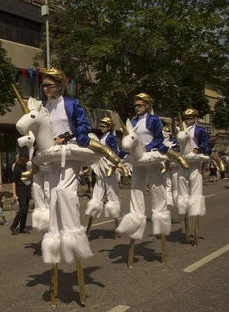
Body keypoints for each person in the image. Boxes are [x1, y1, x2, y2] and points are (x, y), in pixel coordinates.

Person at [40, 68, 94, 264]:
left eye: (49, 85)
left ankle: (73, 236)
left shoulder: (71, 103)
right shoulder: (44, 106)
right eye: (44, 85)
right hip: (52, 154)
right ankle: (55, 236)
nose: (45, 88)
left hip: (69, 152)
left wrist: (66, 137)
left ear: (60, 85)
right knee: (53, 194)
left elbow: (84, 126)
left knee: (65, 191)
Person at [116, 93, 171, 241]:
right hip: (138, 158)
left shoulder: (154, 119)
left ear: (147, 105)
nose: (137, 108)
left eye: (139, 105)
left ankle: (160, 220)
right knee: (136, 187)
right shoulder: (132, 122)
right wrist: (118, 156)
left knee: (156, 187)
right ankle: (136, 218)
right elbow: (128, 141)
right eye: (135, 106)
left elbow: (159, 138)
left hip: (151, 156)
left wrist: (148, 147)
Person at [84, 117, 123, 222]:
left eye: (103, 126)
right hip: (99, 165)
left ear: (109, 127)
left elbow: (115, 153)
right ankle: (94, 208)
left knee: (111, 188)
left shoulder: (111, 138)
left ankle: (114, 213)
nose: (101, 128)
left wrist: (112, 165)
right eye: (101, 126)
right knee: (98, 185)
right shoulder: (100, 137)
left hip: (107, 165)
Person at [176, 108, 211, 218]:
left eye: (190, 119)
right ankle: (183, 203)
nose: (187, 120)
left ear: (194, 119)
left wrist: (198, 149)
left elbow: (206, 141)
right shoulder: (181, 129)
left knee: (194, 178)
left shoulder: (199, 130)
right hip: (183, 155)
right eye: (186, 118)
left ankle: (195, 205)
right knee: (181, 178)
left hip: (194, 154)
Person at [10, 152, 32, 235]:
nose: (23, 161)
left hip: (27, 190)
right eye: (22, 160)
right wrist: (14, 193)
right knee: (22, 210)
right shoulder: (17, 167)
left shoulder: (27, 167)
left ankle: (22, 227)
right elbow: (13, 181)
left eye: (25, 160)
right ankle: (13, 226)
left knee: (26, 210)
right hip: (20, 191)